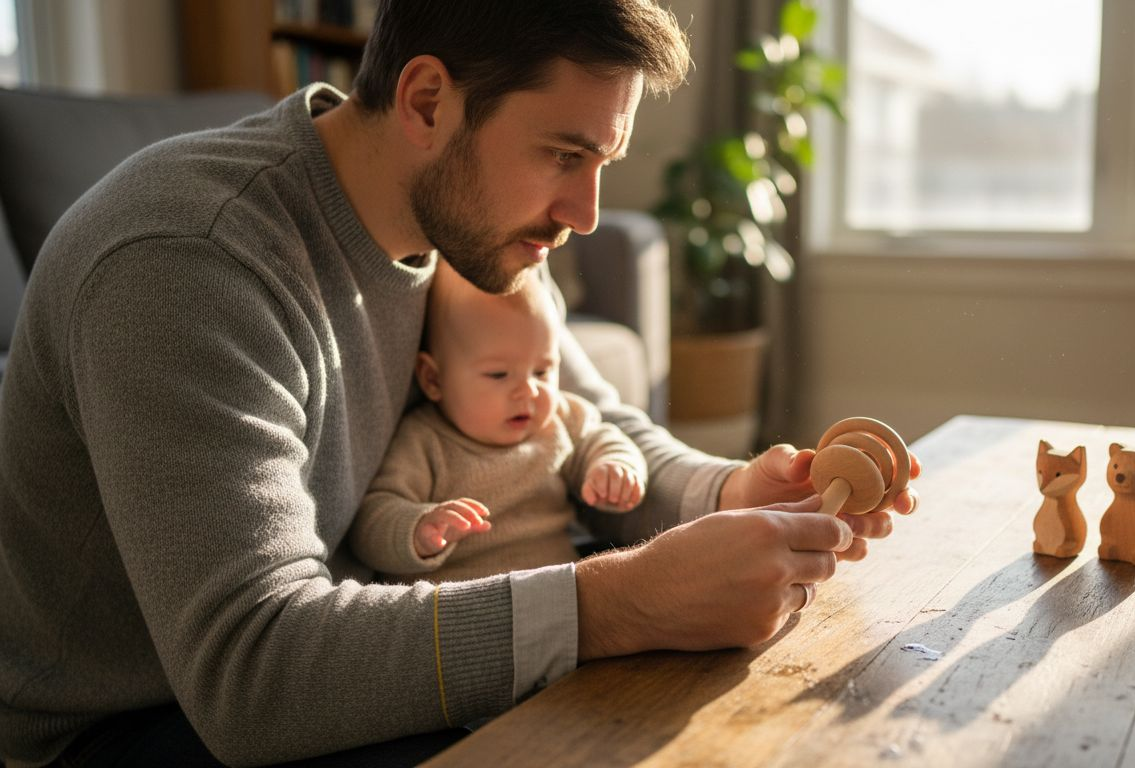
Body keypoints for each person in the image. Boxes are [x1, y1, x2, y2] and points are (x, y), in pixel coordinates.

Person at [0, 0, 920, 765]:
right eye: (564, 155)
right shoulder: (190, 262)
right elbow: (253, 673)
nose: (585, 215)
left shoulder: (470, 230)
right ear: (429, 100)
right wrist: (625, 599)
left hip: (312, 643)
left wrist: (726, 492)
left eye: (603, 163)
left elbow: (585, 415)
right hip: (121, 726)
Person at [352, 264, 647, 582]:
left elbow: (605, 439)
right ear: (433, 379)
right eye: (498, 374)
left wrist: (614, 467)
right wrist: (420, 528)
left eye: (542, 371)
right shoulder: (425, 441)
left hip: (556, 591)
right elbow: (373, 521)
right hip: (462, 607)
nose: (529, 391)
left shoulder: (560, 418)